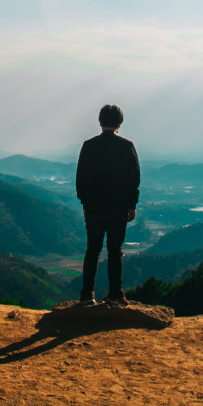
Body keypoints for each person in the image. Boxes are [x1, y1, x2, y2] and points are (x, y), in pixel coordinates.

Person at [75, 104, 140, 307]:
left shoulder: (88, 145)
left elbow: (80, 178)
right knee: (115, 250)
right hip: (118, 208)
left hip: (93, 208)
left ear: (100, 121)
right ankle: (115, 293)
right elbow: (134, 178)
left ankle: (87, 294)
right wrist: (131, 205)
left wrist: (84, 203)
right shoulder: (127, 146)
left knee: (92, 250)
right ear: (119, 123)